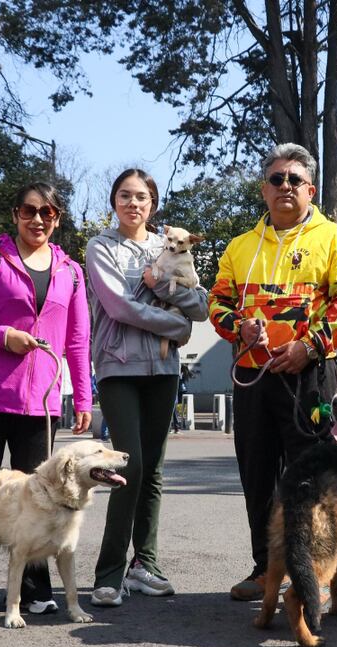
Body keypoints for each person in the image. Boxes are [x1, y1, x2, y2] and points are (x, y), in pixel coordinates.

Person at [208, 143, 337, 602]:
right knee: (257, 476)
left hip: (310, 377)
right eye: (276, 179)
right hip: (254, 379)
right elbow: (216, 303)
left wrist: (309, 346)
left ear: (310, 189)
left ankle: (315, 573)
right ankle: (266, 568)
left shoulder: (335, 238)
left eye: (295, 180)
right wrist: (239, 326)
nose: (286, 187)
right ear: (264, 189)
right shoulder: (240, 247)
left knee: (311, 479)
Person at [0, 182, 92, 623]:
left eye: (48, 212)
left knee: (42, 498)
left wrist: (82, 394)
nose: (38, 219)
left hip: (41, 403)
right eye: (29, 210)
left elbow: (78, 339)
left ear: (58, 218)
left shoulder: (71, 271)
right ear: (15, 215)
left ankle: (34, 591)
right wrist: (2, 335)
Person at [87, 168, 209, 608]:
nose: (133, 203)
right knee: (130, 462)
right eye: (125, 195)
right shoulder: (100, 246)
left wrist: (173, 300)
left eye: (141, 197)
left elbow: (201, 305)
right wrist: (175, 323)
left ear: (152, 204)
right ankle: (108, 572)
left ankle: (146, 565)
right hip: (118, 365)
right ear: (114, 201)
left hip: (163, 369)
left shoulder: (169, 243)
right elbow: (119, 305)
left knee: (153, 467)